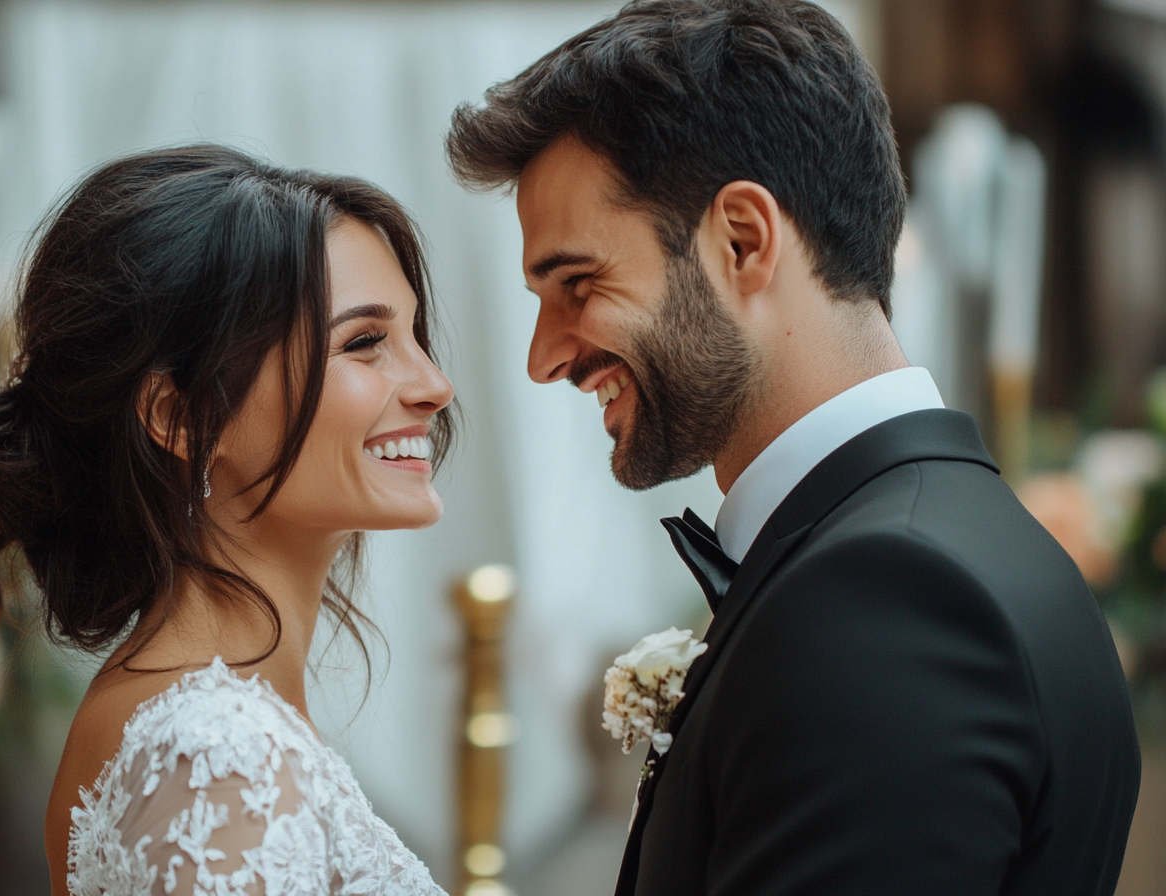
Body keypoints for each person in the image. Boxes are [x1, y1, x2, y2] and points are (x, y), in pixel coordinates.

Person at [446, 1, 1140, 894]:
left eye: (579, 283)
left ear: (743, 239)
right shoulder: (964, 545)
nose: (546, 358)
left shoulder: (889, 604)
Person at [0, 145, 453, 896]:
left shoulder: (185, 724)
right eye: (365, 343)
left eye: (415, 336)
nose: (435, 386)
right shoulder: (218, 758)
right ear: (181, 417)